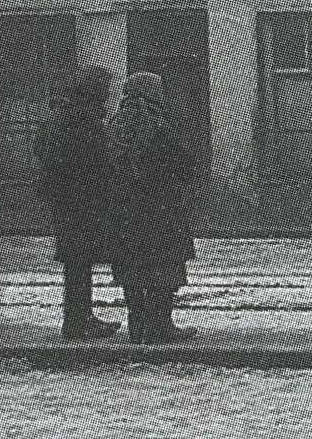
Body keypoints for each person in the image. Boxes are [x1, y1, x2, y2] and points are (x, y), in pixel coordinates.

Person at [106, 70, 198, 344]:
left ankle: (137, 326)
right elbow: (184, 166)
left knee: (131, 269)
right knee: (164, 267)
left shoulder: (114, 126)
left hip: (123, 209)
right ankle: (160, 326)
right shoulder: (158, 126)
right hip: (160, 209)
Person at [32, 65, 120, 341]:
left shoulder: (58, 119)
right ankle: (78, 321)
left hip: (65, 202)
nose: (106, 98)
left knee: (76, 262)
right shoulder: (85, 122)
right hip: (84, 201)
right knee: (80, 262)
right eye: (103, 92)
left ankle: (79, 318)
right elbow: (99, 162)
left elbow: (43, 152)